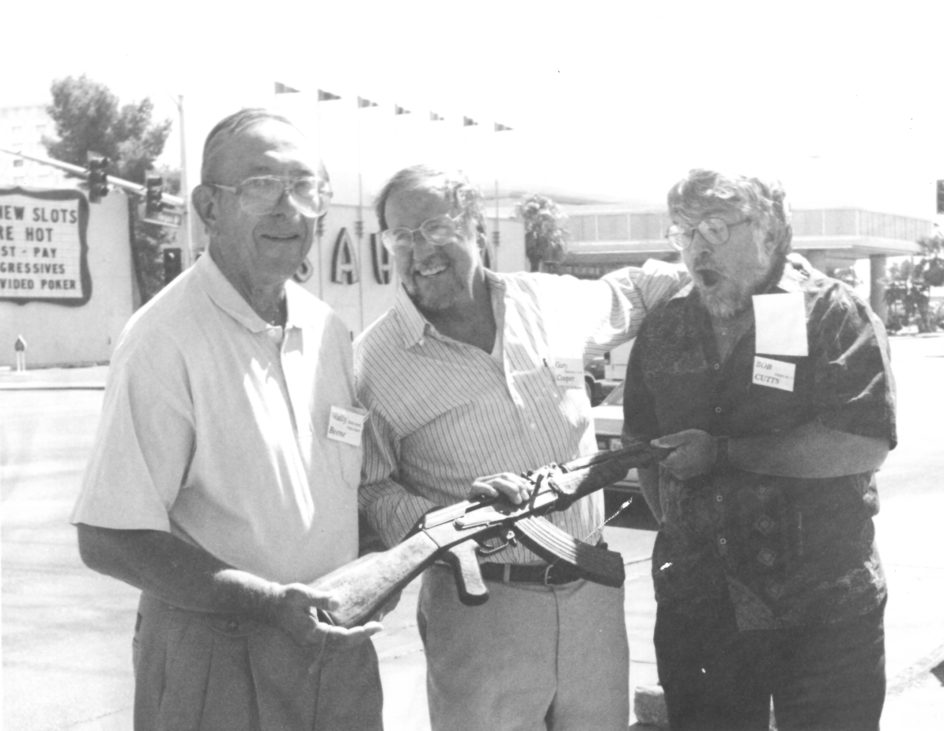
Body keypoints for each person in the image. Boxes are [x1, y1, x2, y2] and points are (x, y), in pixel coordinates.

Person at [71, 108, 384, 731]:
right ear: (208, 208)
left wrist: (377, 567)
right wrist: (270, 604)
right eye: (261, 186)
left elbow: (347, 492)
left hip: (336, 651)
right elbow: (107, 536)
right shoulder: (164, 338)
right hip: (218, 655)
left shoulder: (328, 331)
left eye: (303, 187)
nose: (287, 208)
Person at [357, 165, 688, 730]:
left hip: (592, 595)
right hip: (481, 611)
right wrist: (443, 523)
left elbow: (638, 289)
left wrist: (762, 275)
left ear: (475, 227)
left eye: (435, 228)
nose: (419, 251)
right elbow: (370, 487)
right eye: (401, 236)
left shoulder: (549, 302)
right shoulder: (374, 362)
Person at [623, 168, 897, 730]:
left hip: (823, 612)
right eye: (685, 233)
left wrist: (723, 455)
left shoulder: (831, 314)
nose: (698, 247)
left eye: (717, 229)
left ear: (770, 233)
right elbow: (641, 444)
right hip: (701, 609)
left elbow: (861, 443)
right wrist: (687, 528)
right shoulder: (667, 325)